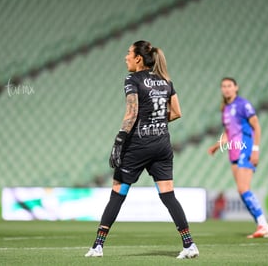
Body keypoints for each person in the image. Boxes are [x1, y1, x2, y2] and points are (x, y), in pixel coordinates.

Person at [85, 40, 199, 259]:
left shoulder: (133, 79)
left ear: (138, 58)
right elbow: (176, 113)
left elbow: (132, 112)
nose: (125, 57)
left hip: (138, 145)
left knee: (118, 194)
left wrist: (119, 140)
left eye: (128, 53)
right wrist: (155, 121)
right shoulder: (166, 81)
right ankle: (189, 244)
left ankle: (98, 246)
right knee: (168, 196)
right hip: (162, 145)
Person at [207, 78, 268, 238]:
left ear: (236, 88)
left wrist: (255, 150)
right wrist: (218, 144)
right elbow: (230, 133)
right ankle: (261, 224)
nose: (226, 89)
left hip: (246, 149)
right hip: (234, 152)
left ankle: (263, 224)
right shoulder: (225, 109)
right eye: (223, 86)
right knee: (242, 190)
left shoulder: (243, 104)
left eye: (229, 86)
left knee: (243, 188)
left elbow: (256, 126)